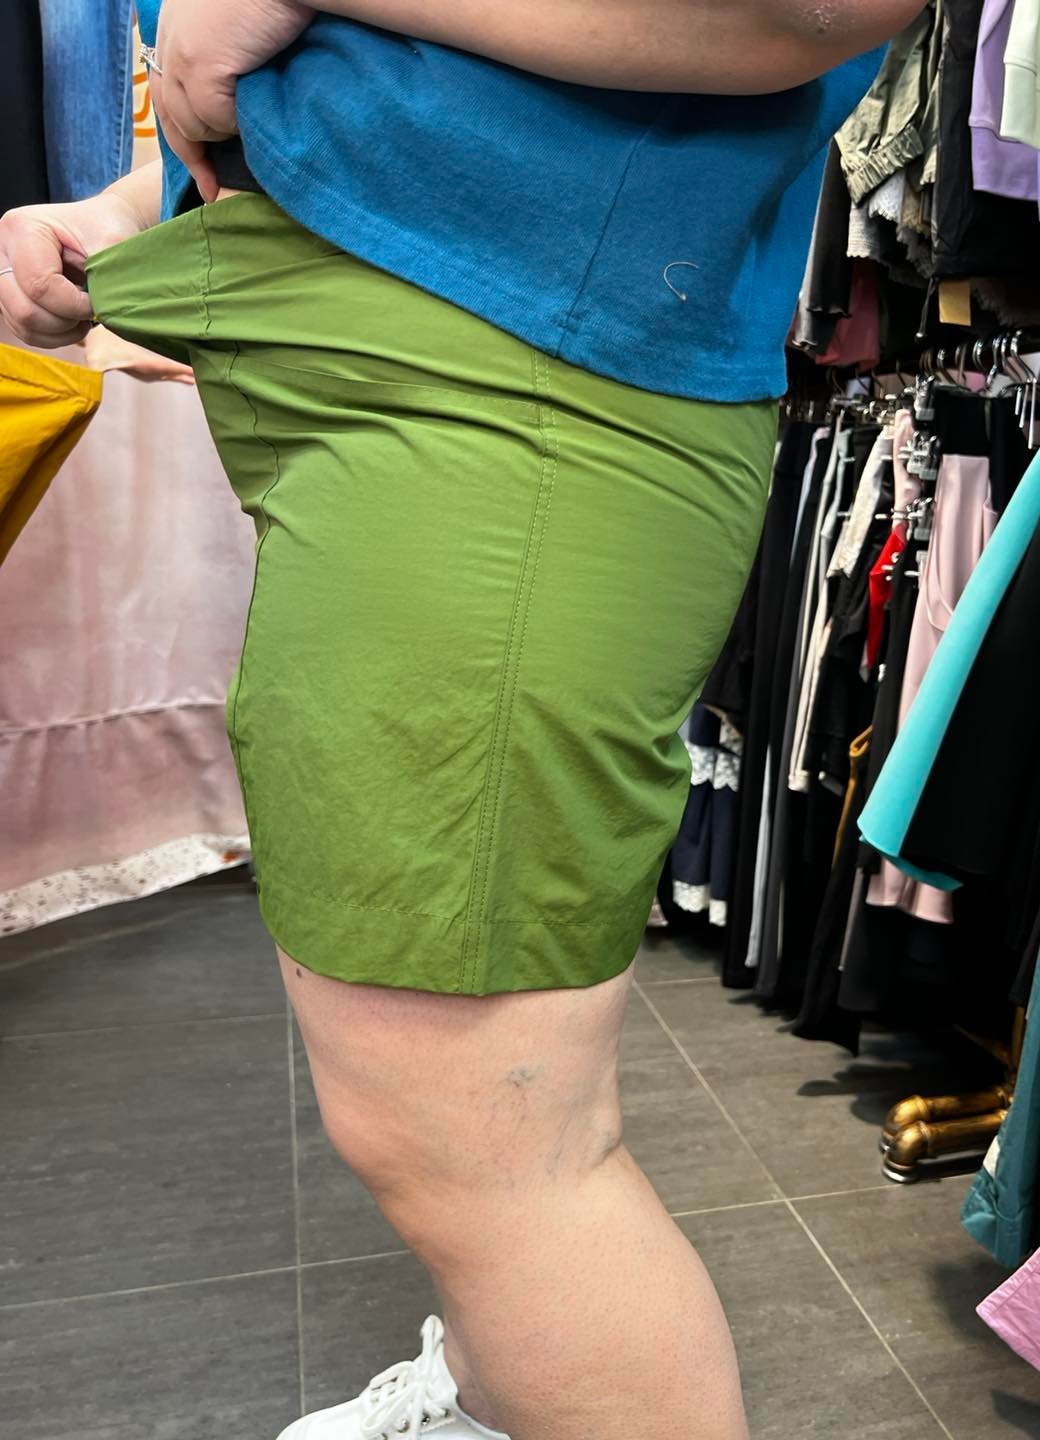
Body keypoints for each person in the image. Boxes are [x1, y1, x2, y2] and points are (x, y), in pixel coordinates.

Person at [0, 3, 924, 1437]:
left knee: (482, 1138)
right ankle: (496, 1398)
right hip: (428, 368)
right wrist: (138, 202)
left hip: (508, 386)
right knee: (464, 1118)